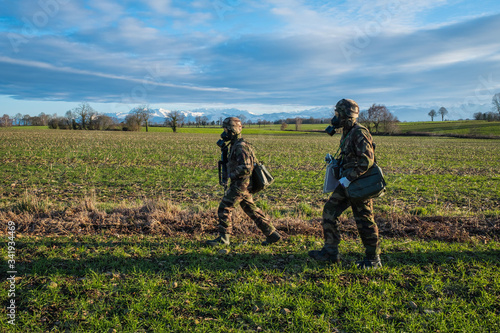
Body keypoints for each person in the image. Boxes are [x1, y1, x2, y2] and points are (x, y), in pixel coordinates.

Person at [308, 99, 382, 269]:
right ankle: (330, 253)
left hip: (359, 184)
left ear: (346, 115)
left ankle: (373, 259)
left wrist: (349, 178)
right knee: (329, 211)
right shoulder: (347, 132)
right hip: (347, 183)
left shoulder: (359, 132)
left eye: (338, 114)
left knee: (364, 220)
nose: (335, 117)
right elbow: (351, 157)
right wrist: (335, 162)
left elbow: (367, 161)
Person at [206, 117, 281, 247]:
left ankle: (224, 239)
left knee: (224, 208)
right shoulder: (236, 144)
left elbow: (246, 168)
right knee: (251, 210)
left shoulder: (241, 146)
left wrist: (231, 175)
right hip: (243, 185)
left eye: (226, 130)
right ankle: (272, 234)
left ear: (232, 130)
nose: (224, 133)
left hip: (240, 184)